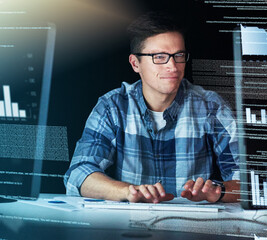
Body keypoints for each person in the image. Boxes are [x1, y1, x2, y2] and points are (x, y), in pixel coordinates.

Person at [64, 11, 240, 204]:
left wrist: (218, 191)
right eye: (159, 56)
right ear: (135, 63)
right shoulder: (112, 106)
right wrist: (128, 191)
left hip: (191, 228)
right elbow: (78, 174)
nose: (173, 66)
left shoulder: (211, 107)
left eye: (178, 55)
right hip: (127, 230)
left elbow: (249, 180)